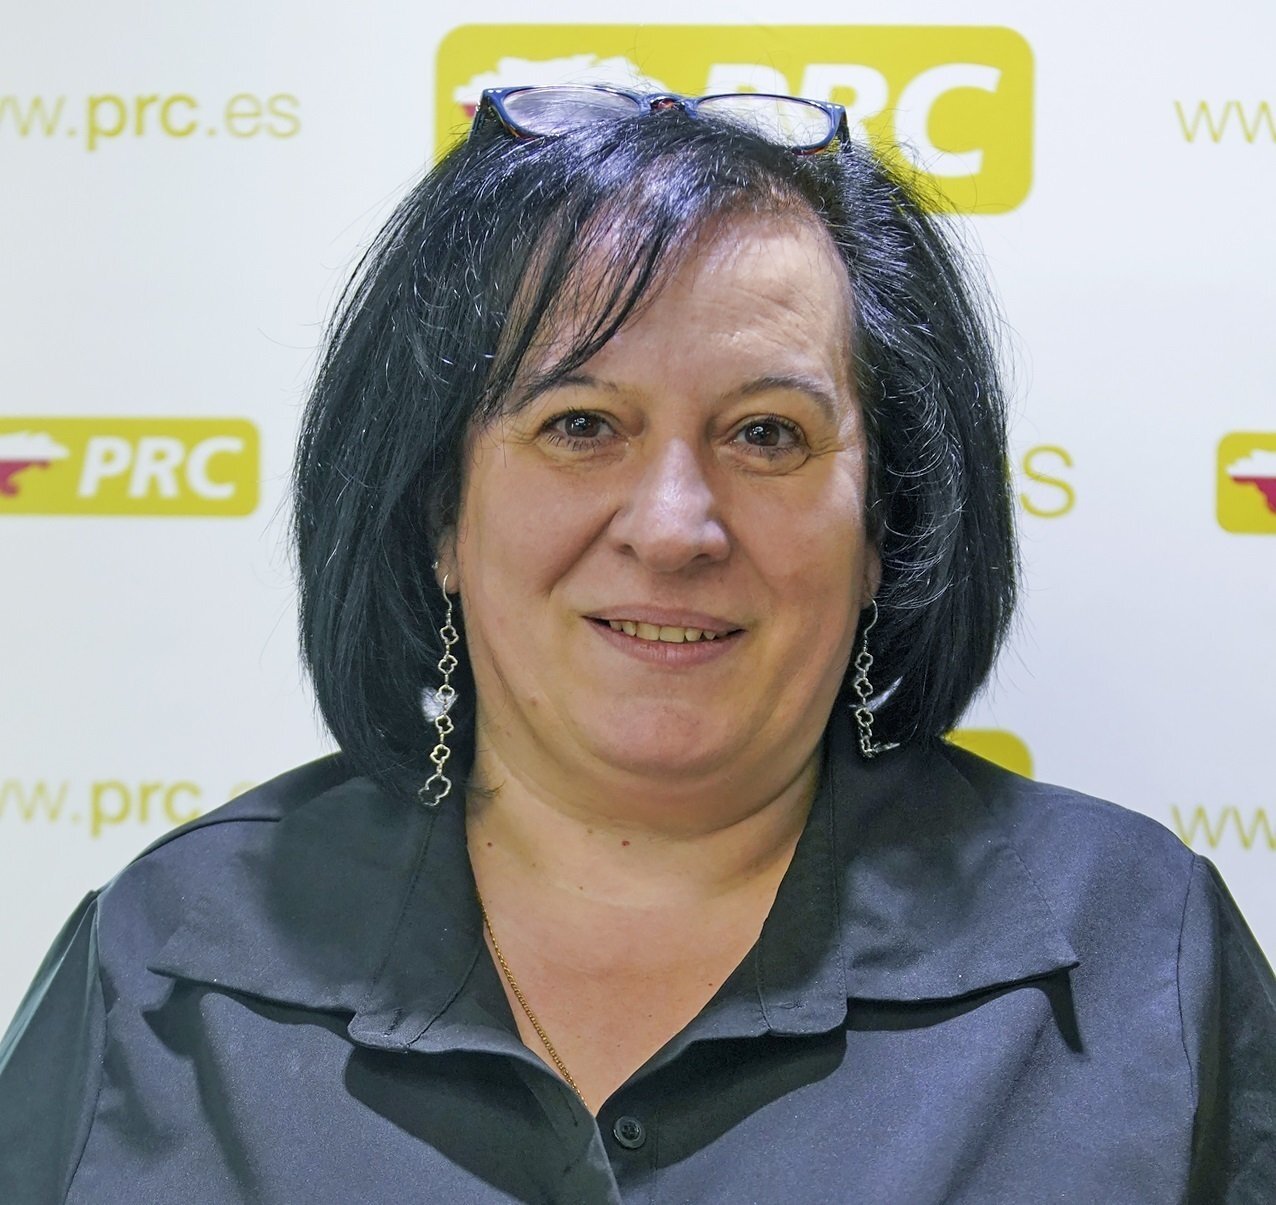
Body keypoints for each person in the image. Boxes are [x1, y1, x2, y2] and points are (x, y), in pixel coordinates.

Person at [2, 85, 1273, 1204]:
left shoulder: (1134, 957)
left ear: (886, 525)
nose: (673, 527)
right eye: (580, 424)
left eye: (767, 434)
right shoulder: (176, 958)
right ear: (438, 509)